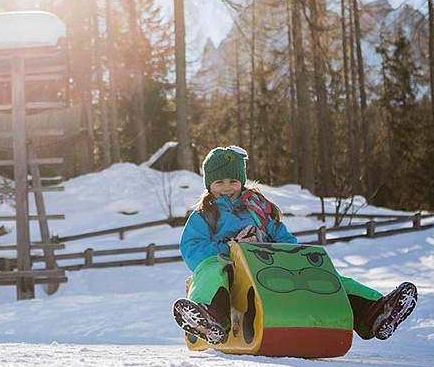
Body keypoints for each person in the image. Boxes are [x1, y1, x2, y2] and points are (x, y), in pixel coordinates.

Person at [173, 146, 417, 345]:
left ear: (242, 181)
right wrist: (230, 250)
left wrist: (278, 249)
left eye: (233, 181)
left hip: (265, 265)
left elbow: (285, 238)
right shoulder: (205, 214)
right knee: (211, 270)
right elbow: (192, 246)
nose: (227, 187)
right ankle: (209, 316)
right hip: (230, 268)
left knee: (321, 276)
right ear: (209, 184)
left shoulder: (259, 210)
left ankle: (374, 311)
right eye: (219, 182)